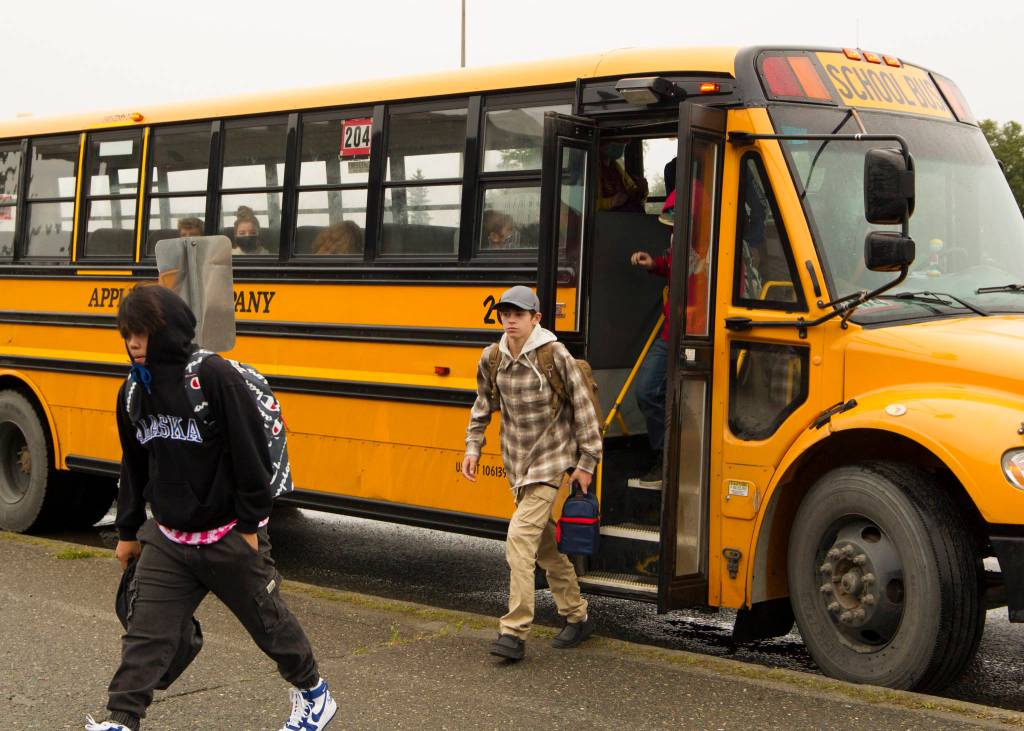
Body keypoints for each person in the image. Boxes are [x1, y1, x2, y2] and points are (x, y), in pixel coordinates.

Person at [84, 284, 336, 731]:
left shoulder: (213, 376)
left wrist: (251, 524)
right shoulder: (132, 390)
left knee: (269, 623)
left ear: (167, 330)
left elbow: (251, 454)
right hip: (168, 534)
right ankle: (122, 719)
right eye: (127, 333)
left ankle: (313, 692)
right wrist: (127, 531)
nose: (134, 343)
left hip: (227, 532)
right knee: (146, 631)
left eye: (142, 332)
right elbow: (135, 463)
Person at [461, 285, 601, 661]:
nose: (510, 320)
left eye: (518, 314)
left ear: (535, 318)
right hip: (516, 465)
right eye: (505, 314)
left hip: (549, 463)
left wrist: (587, 463)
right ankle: (578, 615)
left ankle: (514, 631)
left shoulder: (554, 354)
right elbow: (482, 405)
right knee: (543, 547)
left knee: (519, 541)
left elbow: (584, 409)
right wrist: (473, 447)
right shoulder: (493, 357)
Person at [628, 190, 676, 487]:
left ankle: (673, 460)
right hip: (671, 331)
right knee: (646, 390)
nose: (670, 228)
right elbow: (676, 269)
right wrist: (655, 264)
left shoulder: (710, 239)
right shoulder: (678, 239)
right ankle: (664, 456)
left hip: (695, 332)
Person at [597, 140, 647, 212]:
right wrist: (611, 202)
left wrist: (642, 192)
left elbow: (633, 200)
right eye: (618, 140)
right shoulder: (589, 168)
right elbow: (584, 203)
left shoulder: (616, 168)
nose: (626, 143)